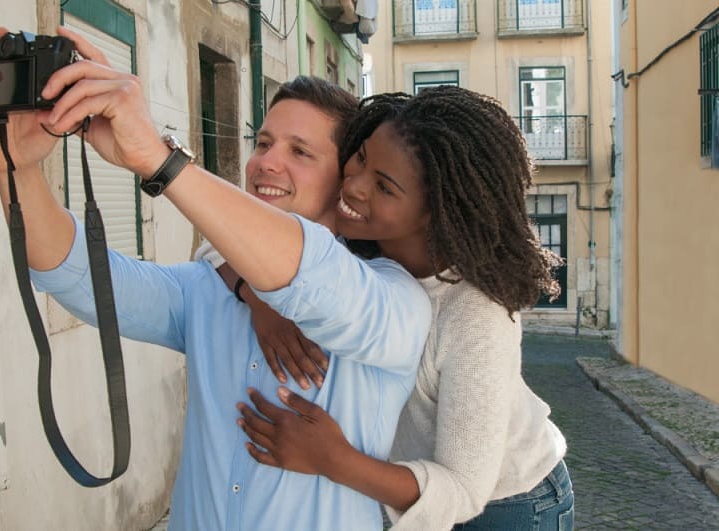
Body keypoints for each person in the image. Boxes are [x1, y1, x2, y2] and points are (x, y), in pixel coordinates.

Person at [0, 26, 431, 531]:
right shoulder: (211, 288)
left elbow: (312, 274)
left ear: (346, 184)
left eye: (301, 152)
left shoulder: (395, 299)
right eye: (265, 141)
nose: (266, 163)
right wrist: (18, 170)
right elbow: (81, 277)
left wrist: (159, 159)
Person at [235, 88, 575, 530]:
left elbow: (465, 489)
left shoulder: (475, 315)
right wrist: (260, 294)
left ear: (436, 210)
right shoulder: (352, 243)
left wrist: (331, 458)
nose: (353, 185)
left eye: (383, 185)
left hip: (508, 504)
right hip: (401, 486)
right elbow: (225, 238)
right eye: (358, 158)